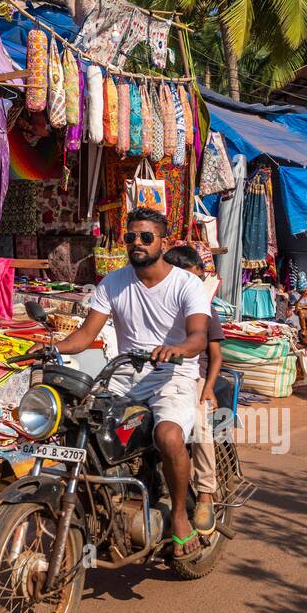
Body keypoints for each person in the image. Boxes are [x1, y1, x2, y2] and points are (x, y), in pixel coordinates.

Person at [54, 210, 210, 560]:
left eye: (145, 237)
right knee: (81, 423)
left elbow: (199, 336)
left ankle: (181, 518)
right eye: (130, 238)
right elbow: (84, 336)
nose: (136, 243)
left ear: (163, 242)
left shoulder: (187, 284)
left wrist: (177, 349)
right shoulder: (113, 282)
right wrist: (50, 348)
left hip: (173, 375)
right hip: (124, 375)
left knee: (168, 436)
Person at [164, 244, 224, 536]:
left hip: (194, 379)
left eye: (194, 275)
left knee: (201, 428)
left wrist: (209, 387)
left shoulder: (204, 307)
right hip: (158, 378)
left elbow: (215, 354)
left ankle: (205, 493)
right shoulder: (159, 300)